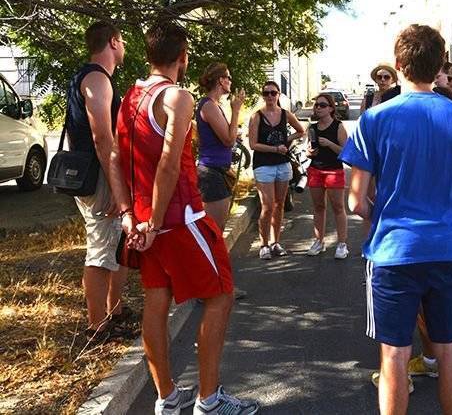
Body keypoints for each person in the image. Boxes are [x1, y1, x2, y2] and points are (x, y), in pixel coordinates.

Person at [342, 24, 452, 415]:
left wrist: (387, 213)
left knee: (393, 355)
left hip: (393, 252)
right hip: (450, 250)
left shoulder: (374, 119)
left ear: (398, 65)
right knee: (451, 350)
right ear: (439, 64)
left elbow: (356, 201)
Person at [109, 22, 258, 414]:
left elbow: (113, 158)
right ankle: (208, 400)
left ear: (148, 54)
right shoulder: (178, 97)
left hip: (145, 219)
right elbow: (168, 166)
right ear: (183, 57)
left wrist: (131, 216)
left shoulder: (131, 96)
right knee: (221, 296)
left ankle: (167, 398)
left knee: (156, 302)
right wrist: (155, 223)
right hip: (180, 218)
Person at [66, 20, 128, 339]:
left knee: (113, 243)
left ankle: (113, 311)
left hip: (96, 175)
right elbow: (102, 137)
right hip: (100, 177)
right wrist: (118, 188)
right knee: (101, 249)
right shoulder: (97, 79)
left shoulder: (87, 76)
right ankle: (97, 327)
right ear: (114, 42)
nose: (125, 48)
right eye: (123, 41)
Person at [248, 82, 305, 260]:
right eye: (266, 93)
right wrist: (275, 148)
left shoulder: (285, 114)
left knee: (280, 204)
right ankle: (264, 244)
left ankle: (275, 242)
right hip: (264, 164)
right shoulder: (256, 116)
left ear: (279, 94)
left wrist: (287, 141)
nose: (270, 96)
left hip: (282, 164)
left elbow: (301, 131)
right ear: (262, 95)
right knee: (267, 205)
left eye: (273, 93)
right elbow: (253, 144)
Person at [196, 62, 245, 230]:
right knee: (214, 230)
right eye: (229, 78)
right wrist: (236, 110)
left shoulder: (214, 105)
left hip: (217, 170)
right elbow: (228, 140)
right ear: (220, 80)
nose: (231, 81)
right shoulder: (209, 105)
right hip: (212, 173)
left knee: (218, 228)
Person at [305, 93, 349, 259]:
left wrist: (330, 144)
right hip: (316, 169)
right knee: (318, 207)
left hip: (334, 171)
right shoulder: (313, 128)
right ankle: (318, 241)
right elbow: (309, 149)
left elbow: (346, 152)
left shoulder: (338, 126)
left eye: (322, 105)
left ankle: (342, 244)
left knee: (338, 207)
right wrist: (309, 152)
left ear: (331, 108)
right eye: (317, 105)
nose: (318, 108)